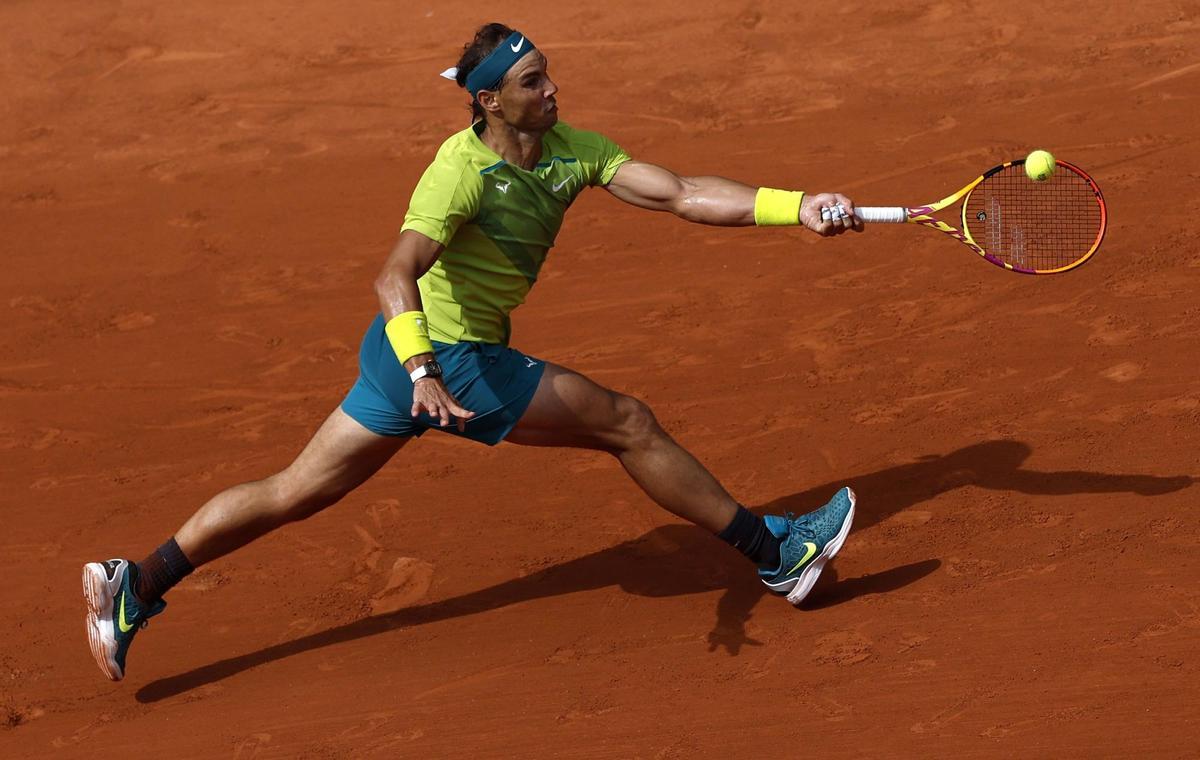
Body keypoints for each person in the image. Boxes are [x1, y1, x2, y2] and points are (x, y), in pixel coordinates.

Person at [83, 22, 864, 682]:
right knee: (627, 422)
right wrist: (426, 372)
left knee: (294, 490)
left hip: (404, 364)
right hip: (440, 358)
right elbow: (393, 277)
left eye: (548, 75)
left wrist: (799, 207)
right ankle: (776, 554)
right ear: (490, 101)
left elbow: (682, 191)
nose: (551, 90)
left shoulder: (571, 150)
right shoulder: (459, 172)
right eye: (531, 83)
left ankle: (138, 582)